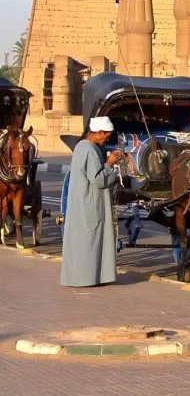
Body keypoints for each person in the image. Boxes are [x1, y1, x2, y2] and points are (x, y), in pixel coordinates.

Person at [60, 116, 124, 287]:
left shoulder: (84, 147)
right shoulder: (89, 149)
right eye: (106, 136)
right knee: (90, 241)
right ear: (98, 133)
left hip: (83, 203)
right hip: (90, 204)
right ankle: (87, 278)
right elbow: (98, 180)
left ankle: (88, 277)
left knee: (85, 241)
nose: (106, 139)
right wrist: (110, 164)